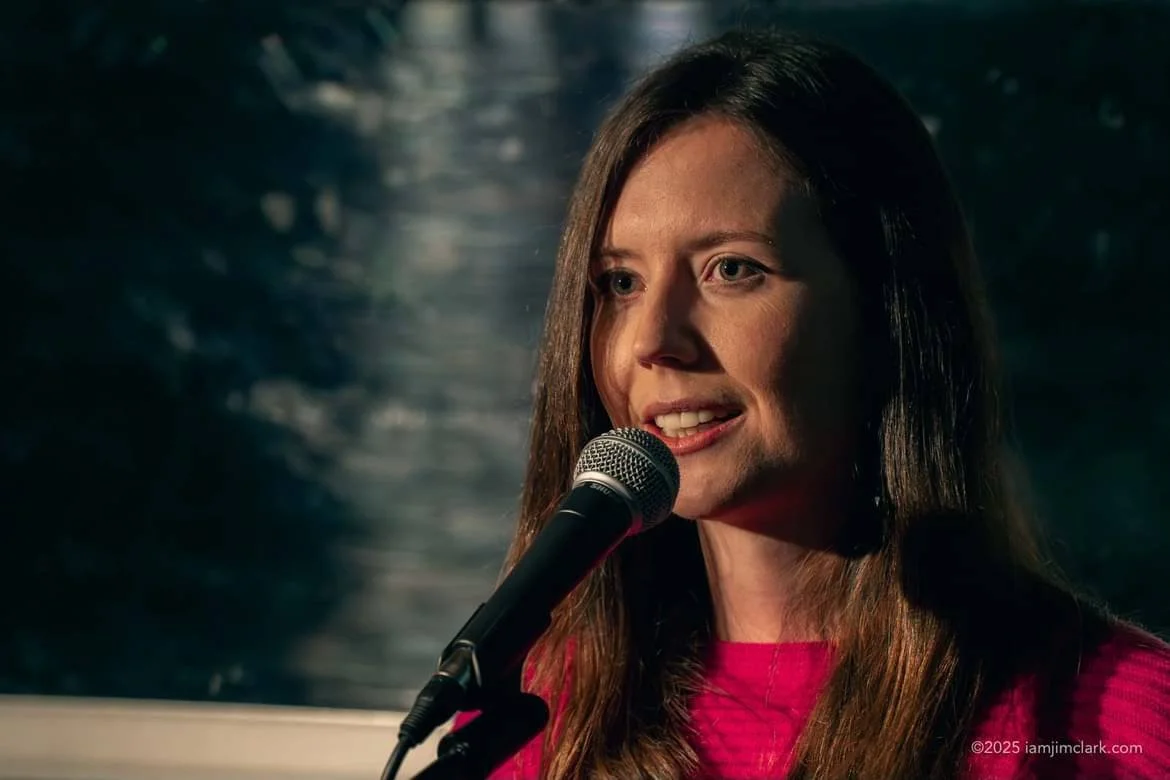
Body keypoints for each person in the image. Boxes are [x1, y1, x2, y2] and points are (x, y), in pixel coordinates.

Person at [453, 28, 1170, 780]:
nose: (653, 341)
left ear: (885, 308)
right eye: (621, 283)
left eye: (732, 269)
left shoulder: (1113, 726)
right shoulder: (533, 720)